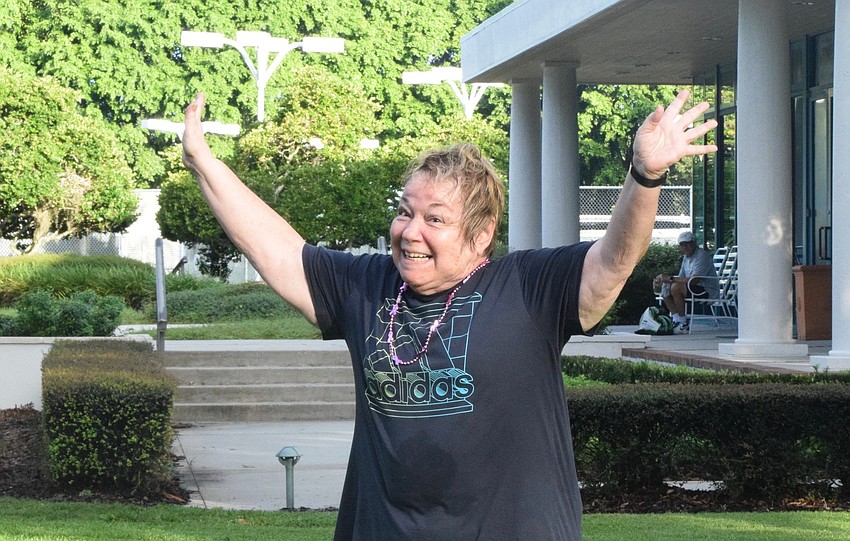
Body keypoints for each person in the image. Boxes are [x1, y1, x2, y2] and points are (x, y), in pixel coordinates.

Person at [182, 89, 717, 540]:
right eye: (404, 212)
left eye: (434, 219)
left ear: (480, 235)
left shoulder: (527, 289)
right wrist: (205, 163)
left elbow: (613, 261)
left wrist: (644, 177)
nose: (410, 231)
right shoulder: (368, 286)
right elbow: (276, 250)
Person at [653, 231, 719, 334]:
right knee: (665, 286)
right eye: (682, 245)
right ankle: (676, 320)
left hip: (707, 290)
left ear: (694, 243)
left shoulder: (702, 255)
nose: (685, 247)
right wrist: (663, 280)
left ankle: (683, 324)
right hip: (693, 288)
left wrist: (670, 278)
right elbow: (681, 277)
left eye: (687, 244)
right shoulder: (685, 258)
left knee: (676, 286)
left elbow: (695, 280)